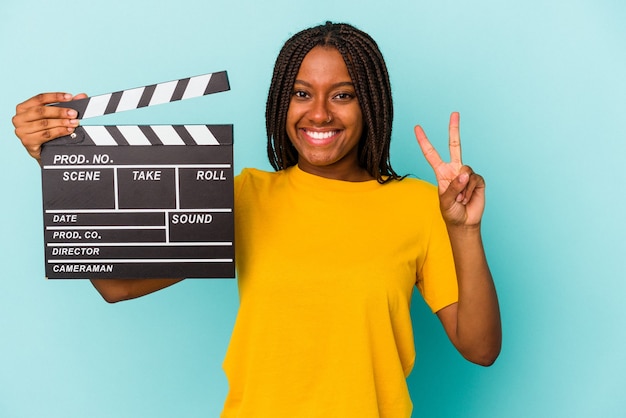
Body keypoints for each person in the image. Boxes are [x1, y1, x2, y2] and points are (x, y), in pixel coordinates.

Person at [12, 21, 501, 418]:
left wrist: (465, 231)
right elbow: (117, 285)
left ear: (370, 104)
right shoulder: (245, 195)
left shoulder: (419, 205)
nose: (321, 114)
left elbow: (480, 347)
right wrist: (56, 164)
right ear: (280, 104)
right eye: (302, 93)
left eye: (344, 95)